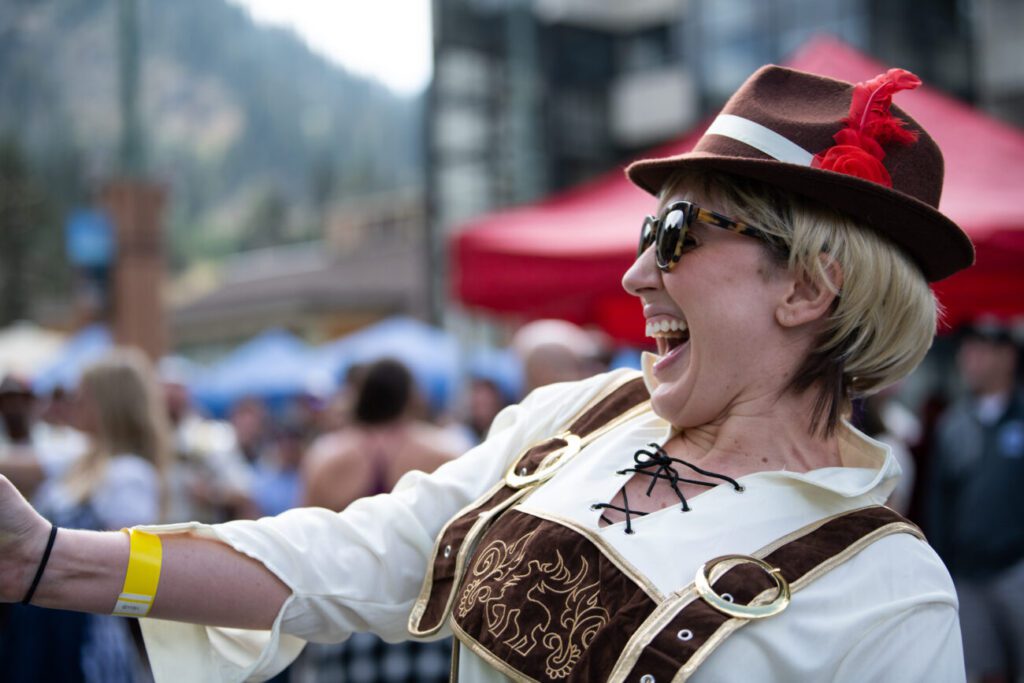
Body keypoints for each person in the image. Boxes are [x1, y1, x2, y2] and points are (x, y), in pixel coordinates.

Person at [0, 65, 975, 682]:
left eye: (677, 232)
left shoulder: (889, 594)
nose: (638, 271)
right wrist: (48, 558)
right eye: (648, 229)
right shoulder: (578, 416)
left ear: (808, 285)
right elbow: (347, 559)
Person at [0, 347, 171, 682]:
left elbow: (134, 572)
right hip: (47, 624)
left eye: (84, 395)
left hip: (85, 636)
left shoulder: (128, 475)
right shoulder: (82, 459)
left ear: (109, 403)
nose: (74, 402)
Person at [925, 319, 1024, 682]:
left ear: (1008, 356)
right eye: (967, 349)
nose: (969, 359)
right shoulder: (953, 423)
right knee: (978, 669)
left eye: (981, 348)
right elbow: (939, 499)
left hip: (1017, 569)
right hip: (967, 573)